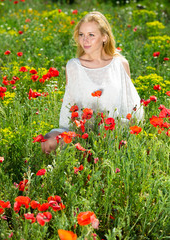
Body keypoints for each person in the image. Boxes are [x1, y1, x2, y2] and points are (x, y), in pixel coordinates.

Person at [41, 11, 144, 154]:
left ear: (104, 37)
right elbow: (69, 106)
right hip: (80, 135)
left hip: (113, 136)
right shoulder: (73, 66)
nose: (85, 40)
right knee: (48, 141)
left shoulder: (120, 64)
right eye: (82, 35)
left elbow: (131, 106)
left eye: (91, 35)